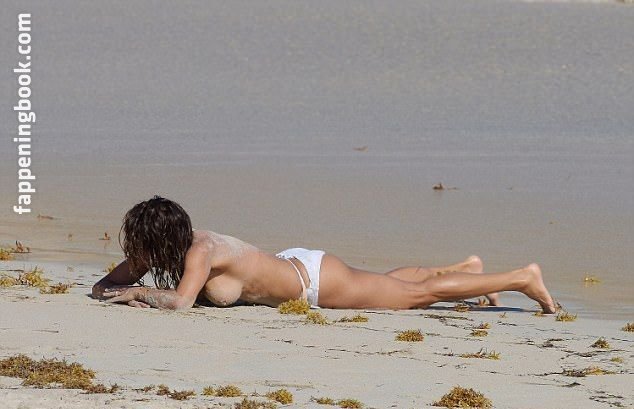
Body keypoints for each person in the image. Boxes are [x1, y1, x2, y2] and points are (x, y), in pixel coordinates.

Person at [92, 196, 556, 313]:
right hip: (295, 264)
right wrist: (118, 286)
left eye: (141, 243)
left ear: (161, 238)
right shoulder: (169, 249)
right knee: (392, 284)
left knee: (417, 298)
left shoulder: (201, 250)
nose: (136, 253)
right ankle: (467, 269)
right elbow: (107, 285)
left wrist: (138, 293)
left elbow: (179, 303)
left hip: (315, 282)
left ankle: (521, 278)